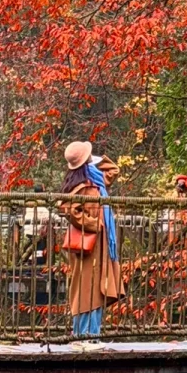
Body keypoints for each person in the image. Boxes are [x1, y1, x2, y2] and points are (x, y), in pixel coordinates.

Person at [61, 140, 122, 339]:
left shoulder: (95, 178)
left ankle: (90, 334)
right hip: (88, 245)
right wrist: (95, 224)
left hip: (99, 243)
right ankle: (84, 335)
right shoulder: (81, 185)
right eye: (88, 154)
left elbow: (114, 169)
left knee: (98, 287)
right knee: (87, 288)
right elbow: (69, 208)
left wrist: (90, 160)